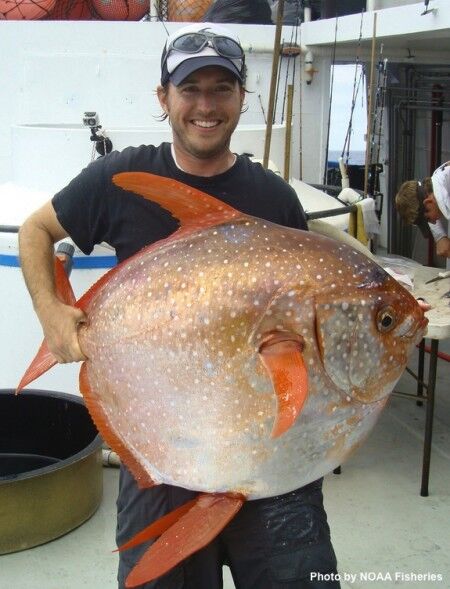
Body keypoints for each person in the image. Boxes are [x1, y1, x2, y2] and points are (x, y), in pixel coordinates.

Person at [18, 22, 340, 589]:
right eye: (190, 89)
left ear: (243, 97)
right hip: (162, 442)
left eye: (222, 89)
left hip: (261, 448)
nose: (206, 106)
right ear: (163, 98)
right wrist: (53, 315)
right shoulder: (117, 178)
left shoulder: (274, 199)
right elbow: (36, 230)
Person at [395, 162, 450, 258]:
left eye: (428, 219)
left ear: (428, 202)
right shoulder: (439, 179)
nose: (433, 222)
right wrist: (440, 236)